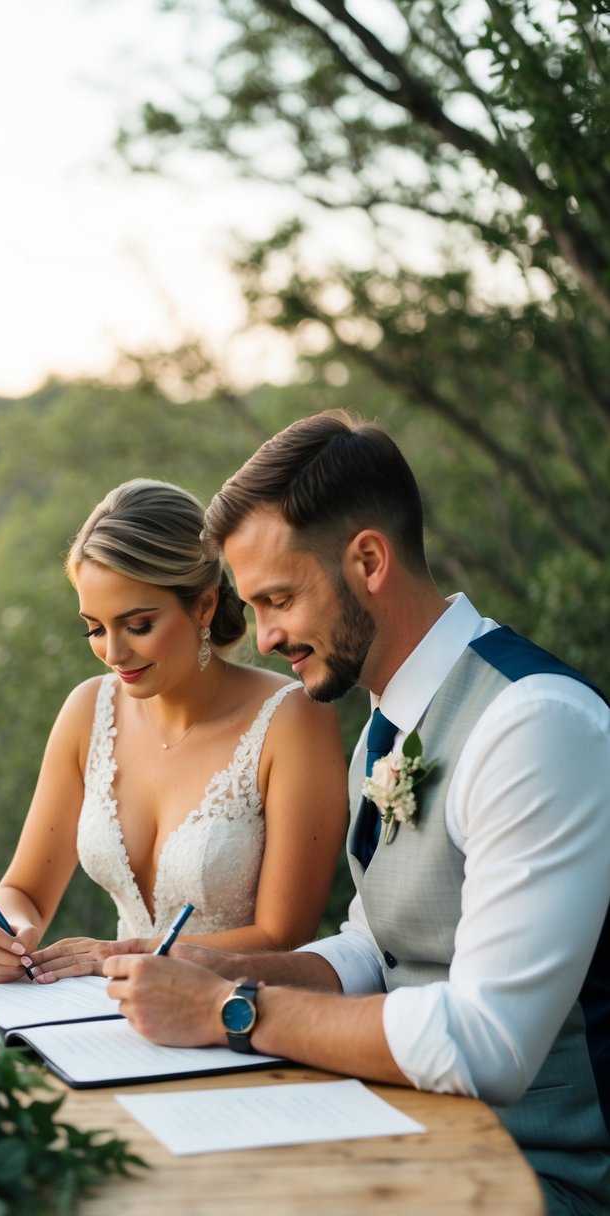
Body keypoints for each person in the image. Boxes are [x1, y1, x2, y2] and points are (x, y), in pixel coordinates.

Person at [103, 413, 610, 1216]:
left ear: (367, 559)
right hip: (415, 1141)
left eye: (278, 599)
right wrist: (219, 969)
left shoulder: (532, 723)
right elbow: (379, 948)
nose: (263, 637)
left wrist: (231, 1012)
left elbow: (488, 1046)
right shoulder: (384, 723)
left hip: (543, 1181)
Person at [0, 477, 346, 985]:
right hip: (108, 1019)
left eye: (138, 625)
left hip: (241, 1022)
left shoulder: (293, 720)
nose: (114, 654)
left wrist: (115, 955)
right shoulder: (87, 711)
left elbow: (285, 938)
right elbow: (25, 892)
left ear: (204, 606)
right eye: (95, 629)